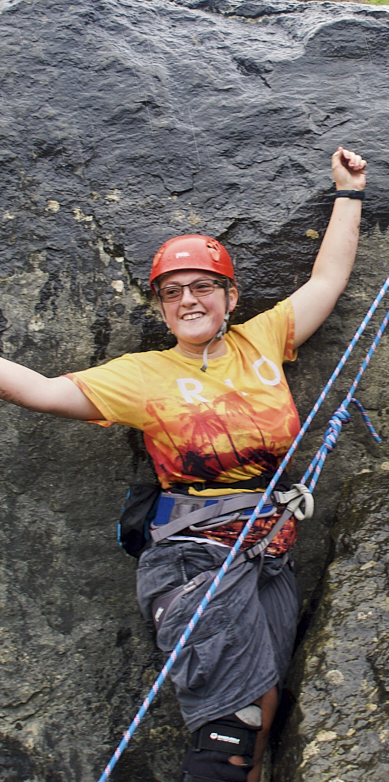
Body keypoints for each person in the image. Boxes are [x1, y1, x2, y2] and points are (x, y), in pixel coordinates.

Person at [0, 146, 367, 782]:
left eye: (203, 287)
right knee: (232, 726)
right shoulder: (142, 375)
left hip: (266, 551)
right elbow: (37, 389)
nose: (188, 301)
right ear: (162, 308)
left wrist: (350, 192)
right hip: (192, 551)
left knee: (266, 709)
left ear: (230, 295)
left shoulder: (263, 340)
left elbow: (326, 280)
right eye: (173, 294)